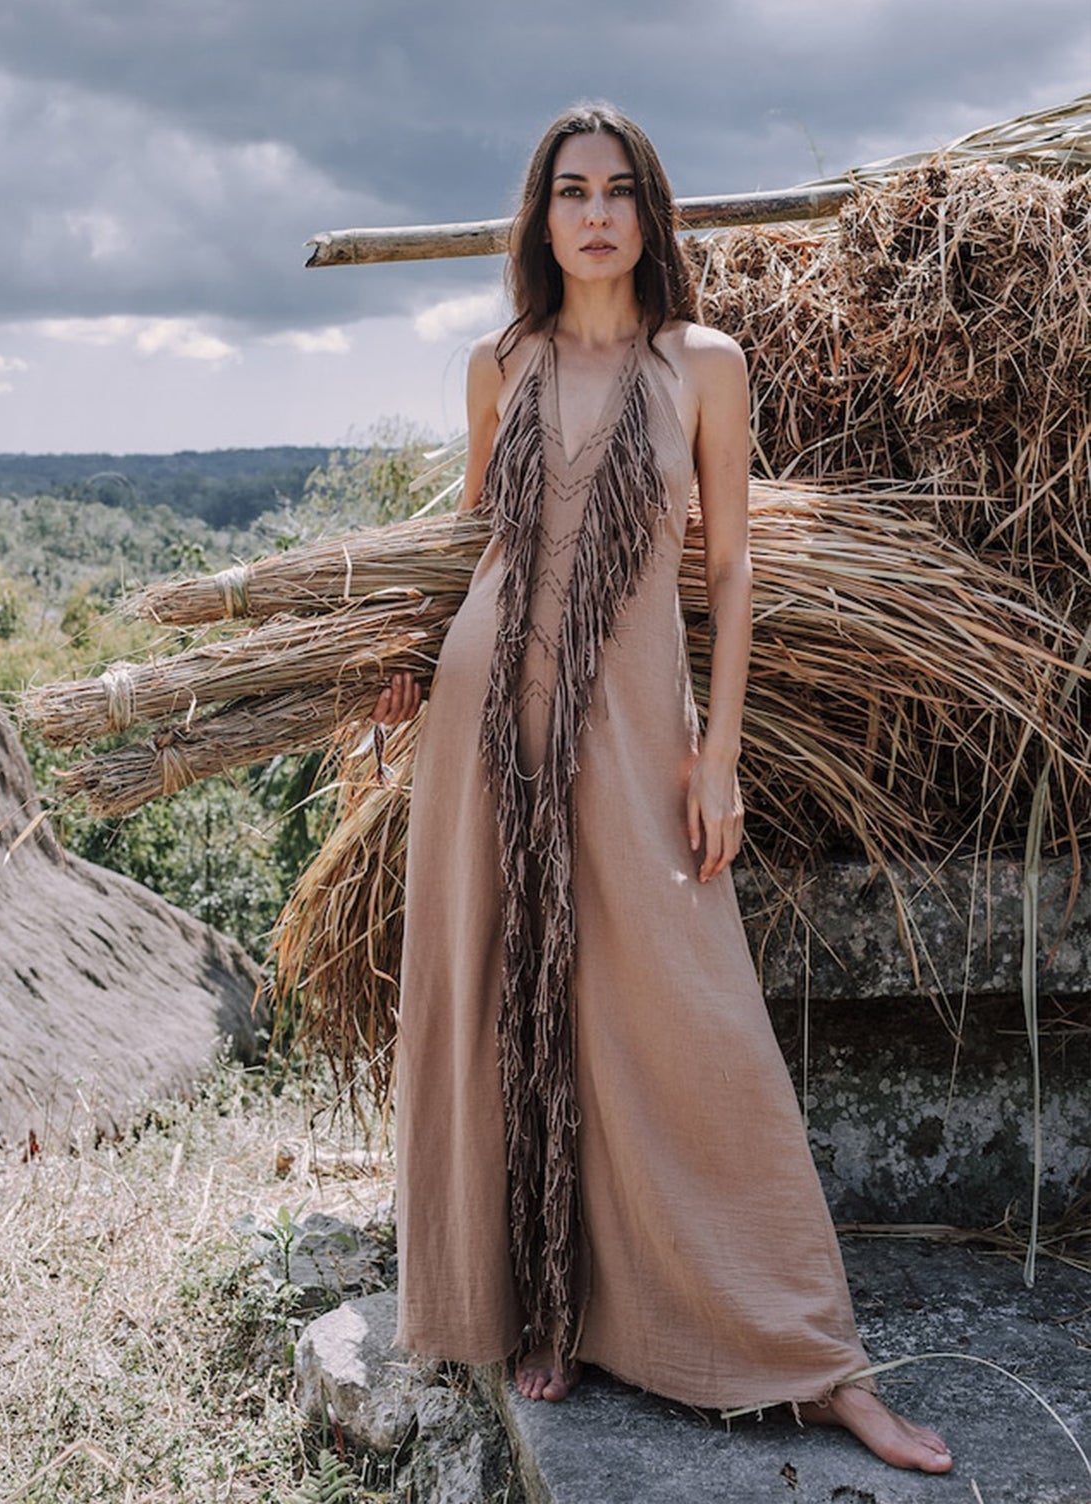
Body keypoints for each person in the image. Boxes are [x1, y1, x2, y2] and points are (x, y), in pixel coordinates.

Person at [373, 105, 952, 1477]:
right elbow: (473, 536)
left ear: (650, 214)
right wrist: (402, 651)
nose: (594, 214)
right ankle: (540, 1305)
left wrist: (719, 751)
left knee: (691, 1015)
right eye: (570, 191)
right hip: (483, 714)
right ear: (541, 216)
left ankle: (813, 1360)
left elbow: (731, 566)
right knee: (503, 990)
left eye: (618, 191)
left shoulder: (704, 363)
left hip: (636, 723)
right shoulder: (501, 362)